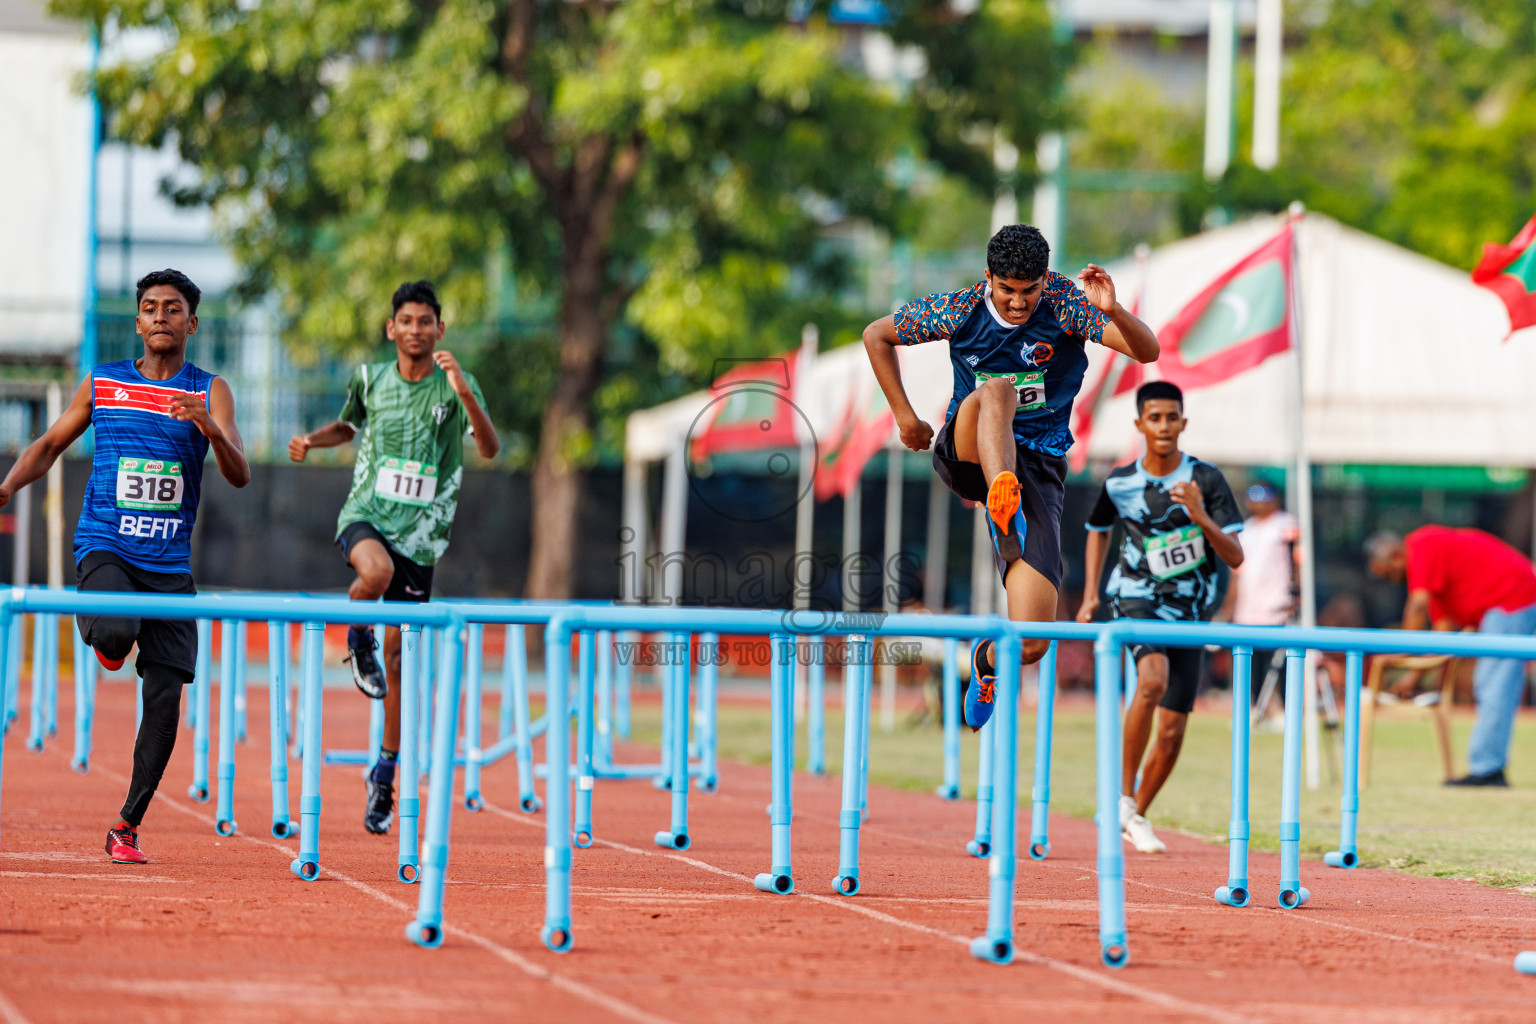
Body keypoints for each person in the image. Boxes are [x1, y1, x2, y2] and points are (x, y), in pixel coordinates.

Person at [862, 224, 1159, 730]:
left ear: (1045, 279)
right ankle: (1001, 492)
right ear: (988, 278)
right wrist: (905, 417)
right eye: (1007, 290)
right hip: (969, 451)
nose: (1019, 303)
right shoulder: (959, 308)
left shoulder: (1066, 305)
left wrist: (1114, 312)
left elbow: (1148, 352)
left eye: (1030, 290)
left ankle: (987, 660)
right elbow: (877, 335)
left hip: (1037, 468)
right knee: (997, 390)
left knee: (1033, 640)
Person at [0, 269, 251, 864]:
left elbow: (240, 473)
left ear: (192, 323)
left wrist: (209, 427)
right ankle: (113, 642)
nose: (161, 316)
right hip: (107, 546)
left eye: (173, 308)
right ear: (138, 322)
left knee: (165, 700)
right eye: (151, 307)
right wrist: (6, 487)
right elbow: (49, 445)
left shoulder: (210, 389)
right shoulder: (103, 381)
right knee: (114, 632)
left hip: (169, 565)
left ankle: (127, 825)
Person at [289, 280, 499, 832]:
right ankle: (358, 638)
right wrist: (311, 440)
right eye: (405, 320)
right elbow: (347, 426)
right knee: (374, 572)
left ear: (440, 330)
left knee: (402, 663)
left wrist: (464, 390)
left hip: (422, 535)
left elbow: (489, 447)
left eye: (425, 321)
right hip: (367, 514)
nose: (415, 329)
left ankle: (384, 775)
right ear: (391, 328)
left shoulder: (456, 385)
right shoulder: (370, 379)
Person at [1077, 381, 1244, 853]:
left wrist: (1200, 516)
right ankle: (1122, 795)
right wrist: (1090, 595)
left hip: (1190, 609)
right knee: (1151, 681)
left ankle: (1135, 814)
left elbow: (1235, 556)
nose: (1164, 426)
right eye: (1155, 418)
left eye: (1172, 417)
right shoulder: (1120, 482)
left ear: (1183, 423)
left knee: (1172, 731)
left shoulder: (1206, 479)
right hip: (1135, 596)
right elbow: (1097, 529)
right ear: (1140, 424)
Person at [1366, 527, 1536, 787]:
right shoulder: (1438, 582)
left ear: (1396, 555)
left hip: (1511, 599)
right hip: (1508, 602)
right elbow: (1441, 635)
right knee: (1494, 683)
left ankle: (1488, 769)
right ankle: (1489, 765)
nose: (1393, 581)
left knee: (1493, 684)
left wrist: (1401, 652)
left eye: (1390, 574)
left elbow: (1417, 606)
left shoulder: (1421, 546)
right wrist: (1413, 676)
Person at [1221, 480, 1300, 728]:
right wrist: (1229, 607)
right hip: (1248, 608)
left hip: (1277, 604)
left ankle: (1286, 710)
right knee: (1251, 662)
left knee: (1280, 660)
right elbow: (1237, 572)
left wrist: (1296, 596)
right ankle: (1257, 710)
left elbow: (1298, 562)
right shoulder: (1247, 530)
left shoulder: (1286, 525)